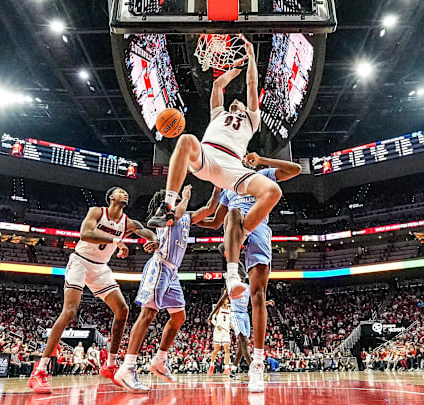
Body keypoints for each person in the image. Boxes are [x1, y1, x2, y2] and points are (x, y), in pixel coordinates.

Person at [146, 39, 282, 302]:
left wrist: (252, 58)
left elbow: (253, 86)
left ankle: (234, 261)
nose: (236, 102)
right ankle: (168, 206)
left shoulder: (252, 119)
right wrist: (234, 69)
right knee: (186, 140)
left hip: (233, 167)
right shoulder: (217, 113)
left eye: (240, 103)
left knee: (272, 191)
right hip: (207, 156)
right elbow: (218, 85)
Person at [29, 187, 159, 394]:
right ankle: (40, 371)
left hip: (100, 268)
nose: (125, 194)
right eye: (120, 192)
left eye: (127, 192)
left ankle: (110, 364)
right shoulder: (97, 212)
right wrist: (116, 240)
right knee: (70, 311)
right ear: (111, 197)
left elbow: (147, 231)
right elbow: (86, 233)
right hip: (80, 262)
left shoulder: (127, 222)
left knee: (122, 310)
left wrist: (153, 239)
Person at [199, 152, 300, 391]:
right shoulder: (226, 187)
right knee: (233, 215)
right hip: (233, 233)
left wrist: (264, 160)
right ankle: (233, 275)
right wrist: (188, 220)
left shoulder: (260, 176)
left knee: (258, 296)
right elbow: (214, 221)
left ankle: (257, 363)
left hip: (258, 229)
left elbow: (295, 169)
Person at [114, 185, 220, 393]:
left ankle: (159, 360)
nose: (180, 198)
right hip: (160, 266)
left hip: (172, 273)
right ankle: (127, 367)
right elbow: (178, 213)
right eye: (176, 197)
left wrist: (217, 187)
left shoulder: (186, 215)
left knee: (179, 317)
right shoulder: (164, 214)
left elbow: (209, 208)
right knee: (148, 314)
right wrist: (186, 198)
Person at [207, 300, 232, 375]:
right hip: (218, 331)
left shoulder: (230, 309)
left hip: (226, 331)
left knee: (227, 348)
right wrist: (216, 325)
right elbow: (212, 319)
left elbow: (231, 319)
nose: (226, 300)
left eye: (227, 299)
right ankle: (211, 366)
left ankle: (227, 367)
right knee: (216, 349)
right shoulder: (218, 308)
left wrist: (231, 324)